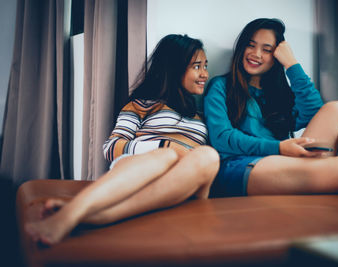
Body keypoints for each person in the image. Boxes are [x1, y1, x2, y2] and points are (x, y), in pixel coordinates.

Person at [25, 34, 219, 245]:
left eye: (205, 66)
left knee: (208, 156)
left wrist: (176, 153)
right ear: (175, 68)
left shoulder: (201, 114)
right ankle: (74, 213)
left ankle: (95, 215)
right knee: (164, 156)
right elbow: (111, 147)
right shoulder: (140, 105)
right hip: (140, 171)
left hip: (182, 184)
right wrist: (165, 147)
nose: (204, 74)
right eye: (197, 67)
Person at [204, 18, 338, 198]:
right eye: (251, 45)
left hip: (282, 160)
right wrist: (279, 147)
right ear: (242, 47)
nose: (256, 54)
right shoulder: (221, 86)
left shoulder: (276, 94)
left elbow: (315, 112)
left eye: (266, 49)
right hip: (240, 167)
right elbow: (222, 138)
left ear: (276, 56)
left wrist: (291, 63)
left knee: (337, 109)